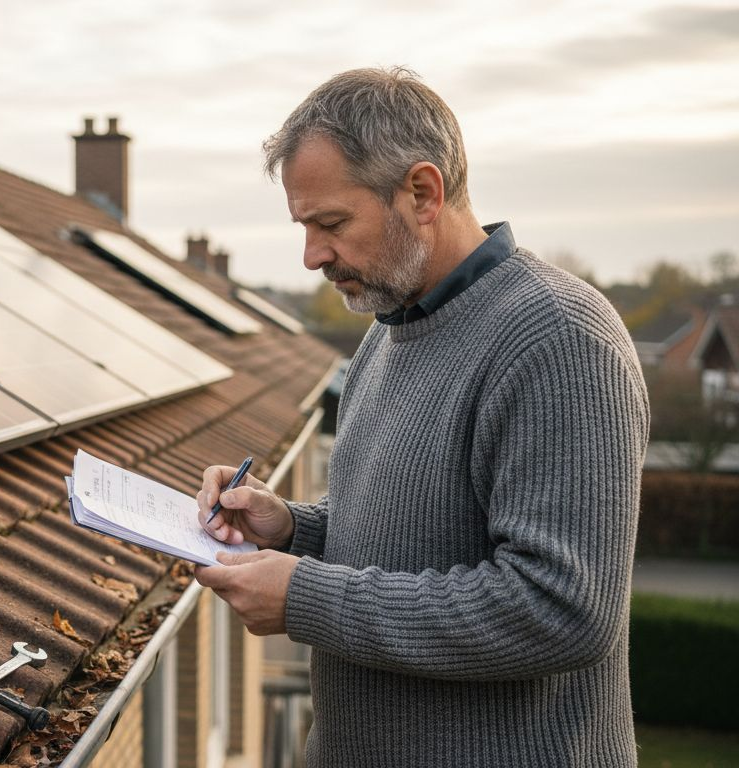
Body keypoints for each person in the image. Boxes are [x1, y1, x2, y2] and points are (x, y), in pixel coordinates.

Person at [193, 67, 649, 767]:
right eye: (305, 226)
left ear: (422, 193)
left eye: (331, 223)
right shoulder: (390, 328)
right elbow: (405, 541)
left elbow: (560, 610)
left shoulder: (559, 341)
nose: (312, 255)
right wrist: (288, 526)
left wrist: (309, 599)